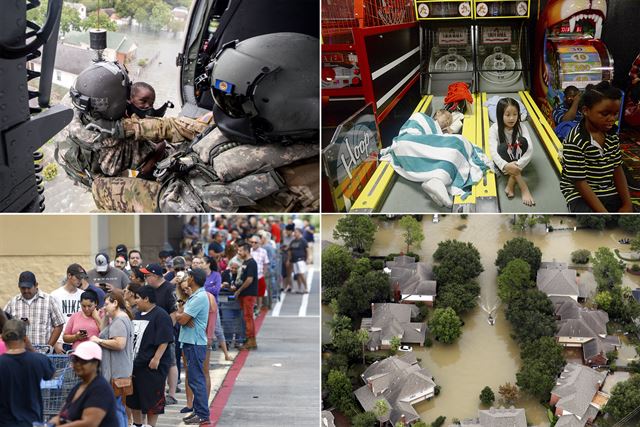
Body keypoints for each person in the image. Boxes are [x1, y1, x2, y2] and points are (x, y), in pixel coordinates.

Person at [560, 81, 633, 212]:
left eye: (615, 113)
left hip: (607, 189)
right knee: (592, 220)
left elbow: (617, 168)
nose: (612, 119)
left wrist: (627, 204)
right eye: (605, 114)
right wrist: (603, 213)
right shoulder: (575, 140)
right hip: (579, 193)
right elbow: (580, 183)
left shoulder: (612, 134)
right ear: (586, 111)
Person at [128, 286, 174, 427]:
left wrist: (156, 358)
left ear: (146, 299)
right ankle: (137, 424)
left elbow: (165, 339)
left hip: (151, 366)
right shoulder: (136, 314)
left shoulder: (161, 315)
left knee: (152, 400)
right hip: (136, 364)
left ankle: (150, 425)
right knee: (134, 400)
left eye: (138, 298)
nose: (136, 301)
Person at [49, 341, 119, 427]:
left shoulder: (100, 388)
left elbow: (89, 423)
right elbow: (62, 416)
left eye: (84, 361)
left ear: (96, 363)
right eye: (75, 360)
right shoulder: (77, 388)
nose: (78, 364)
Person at [89, 292, 134, 427]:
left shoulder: (120, 320)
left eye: (107, 304)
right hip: (119, 370)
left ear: (115, 303)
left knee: (116, 407)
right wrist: (103, 317)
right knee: (118, 406)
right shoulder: (119, 319)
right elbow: (105, 331)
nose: (104, 307)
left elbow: (119, 344)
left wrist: (99, 341)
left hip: (116, 372)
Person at [0, 319, 55, 427]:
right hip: (31, 421)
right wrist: (31, 349)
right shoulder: (38, 360)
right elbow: (51, 374)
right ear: (25, 338)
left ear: (2, 338)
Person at [140, 263, 180, 405]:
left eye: (147, 275)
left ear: (156, 276)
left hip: (165, 331)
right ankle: (159, 392)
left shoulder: (169, 289)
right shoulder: (150, 289)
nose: (145, 278)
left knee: (170, 361)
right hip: (150, 332)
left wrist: (166, 331)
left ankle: (172, 394)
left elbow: (174, 313)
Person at [176, 269, 211, 425]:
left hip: (195, 343)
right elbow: (183, 315)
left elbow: (182, 319)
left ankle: (203, 414)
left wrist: (181, 317)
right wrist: (182, 316)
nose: (186, 279)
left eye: (189, 277)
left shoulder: (199, 297)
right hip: (190, 342)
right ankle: (198, 411)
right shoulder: (194, 296)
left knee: (197, 380)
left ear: (193, 279)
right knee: (193, 379)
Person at [488, 97, 535, 206]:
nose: (512, 118)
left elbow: (530, 149)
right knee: (502, 147)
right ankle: (523, 186)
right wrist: (505, 165)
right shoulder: (494, 129)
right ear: (500, 115)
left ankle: (511, 181)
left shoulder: (521, 127)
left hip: (517, 158)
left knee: (523, 141)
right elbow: (493, 151)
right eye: (507, 114)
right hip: (504, 158)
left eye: (515, 114)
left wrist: (514, 166)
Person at [4, 271, 65, 348]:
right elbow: (3, 325)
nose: (26, 291)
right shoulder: (12, 302)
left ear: (36, 285)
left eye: (29, 288)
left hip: (42, 352)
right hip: (19, 352)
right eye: (23, 288)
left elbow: (59, 325)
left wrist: (48, 347)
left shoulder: (49, 300)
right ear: (18, 286)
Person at [52, 264, 85, 352]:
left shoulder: (83, 295)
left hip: (78, 342)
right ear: (69, 275)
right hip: (60, 342)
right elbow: (50, 322)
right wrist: (55, 344)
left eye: (81, 277)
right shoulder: (55, 295)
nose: (80, 280)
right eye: (77, 277)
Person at [203, 257, 232, 361]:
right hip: (201, 306)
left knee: (218, 330)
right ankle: (205, 355)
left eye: (202, 262)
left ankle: (226, 354)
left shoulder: (216, 275)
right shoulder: (200, 275)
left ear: (208, 264)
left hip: (212, 306)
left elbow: (216, 290)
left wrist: (204, 289)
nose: (201, 264)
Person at [234, 242, 258, 350]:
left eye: (240, 250)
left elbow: (249, 279)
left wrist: (239, 290)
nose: (239, 252)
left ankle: (251, 341)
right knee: (246, 317)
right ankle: (248, 339)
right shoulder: (245, 262)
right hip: (244, 293)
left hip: (249, 293)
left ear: (246, 251)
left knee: (248, 317)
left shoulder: (251, 263)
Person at [249, 235, 270, 311]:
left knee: (260, 293)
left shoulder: (263, 251)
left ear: (259, 243)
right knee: (252, 293)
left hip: (260, 275)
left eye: (255, 242)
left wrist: (263, 274)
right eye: (252, 242)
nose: (253, 244)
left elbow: (266, 263)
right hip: (250, 276)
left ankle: (259, 307)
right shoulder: (249, 250)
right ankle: (253, 306)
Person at [289, 228, 309, 294]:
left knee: (301, 273)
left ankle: (306, 287)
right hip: (294, 260)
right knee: (297, 274)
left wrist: (308, 258)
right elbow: (290, 250)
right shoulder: (293, 241)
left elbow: (307, 250)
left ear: (300, 233)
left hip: (301, 259)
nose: (295, 233)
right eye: (294, 232)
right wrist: (289, 259)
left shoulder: (303, 241)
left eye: (296, 232)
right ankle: (299, 288)